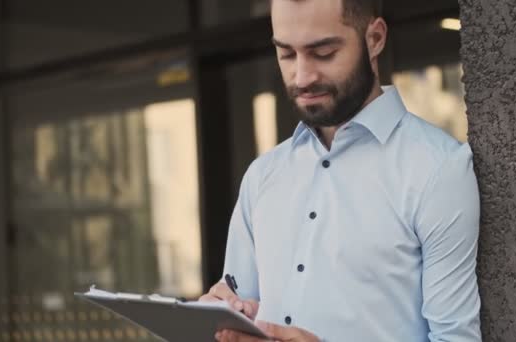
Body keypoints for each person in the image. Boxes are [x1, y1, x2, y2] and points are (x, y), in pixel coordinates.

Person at [199, 0, 482, 341]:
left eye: (324, 52)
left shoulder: (437, 170)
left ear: (375, 38)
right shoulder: (261, 177)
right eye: (287, 54)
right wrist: (217, 320)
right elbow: (238, 316)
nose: (302, 77)